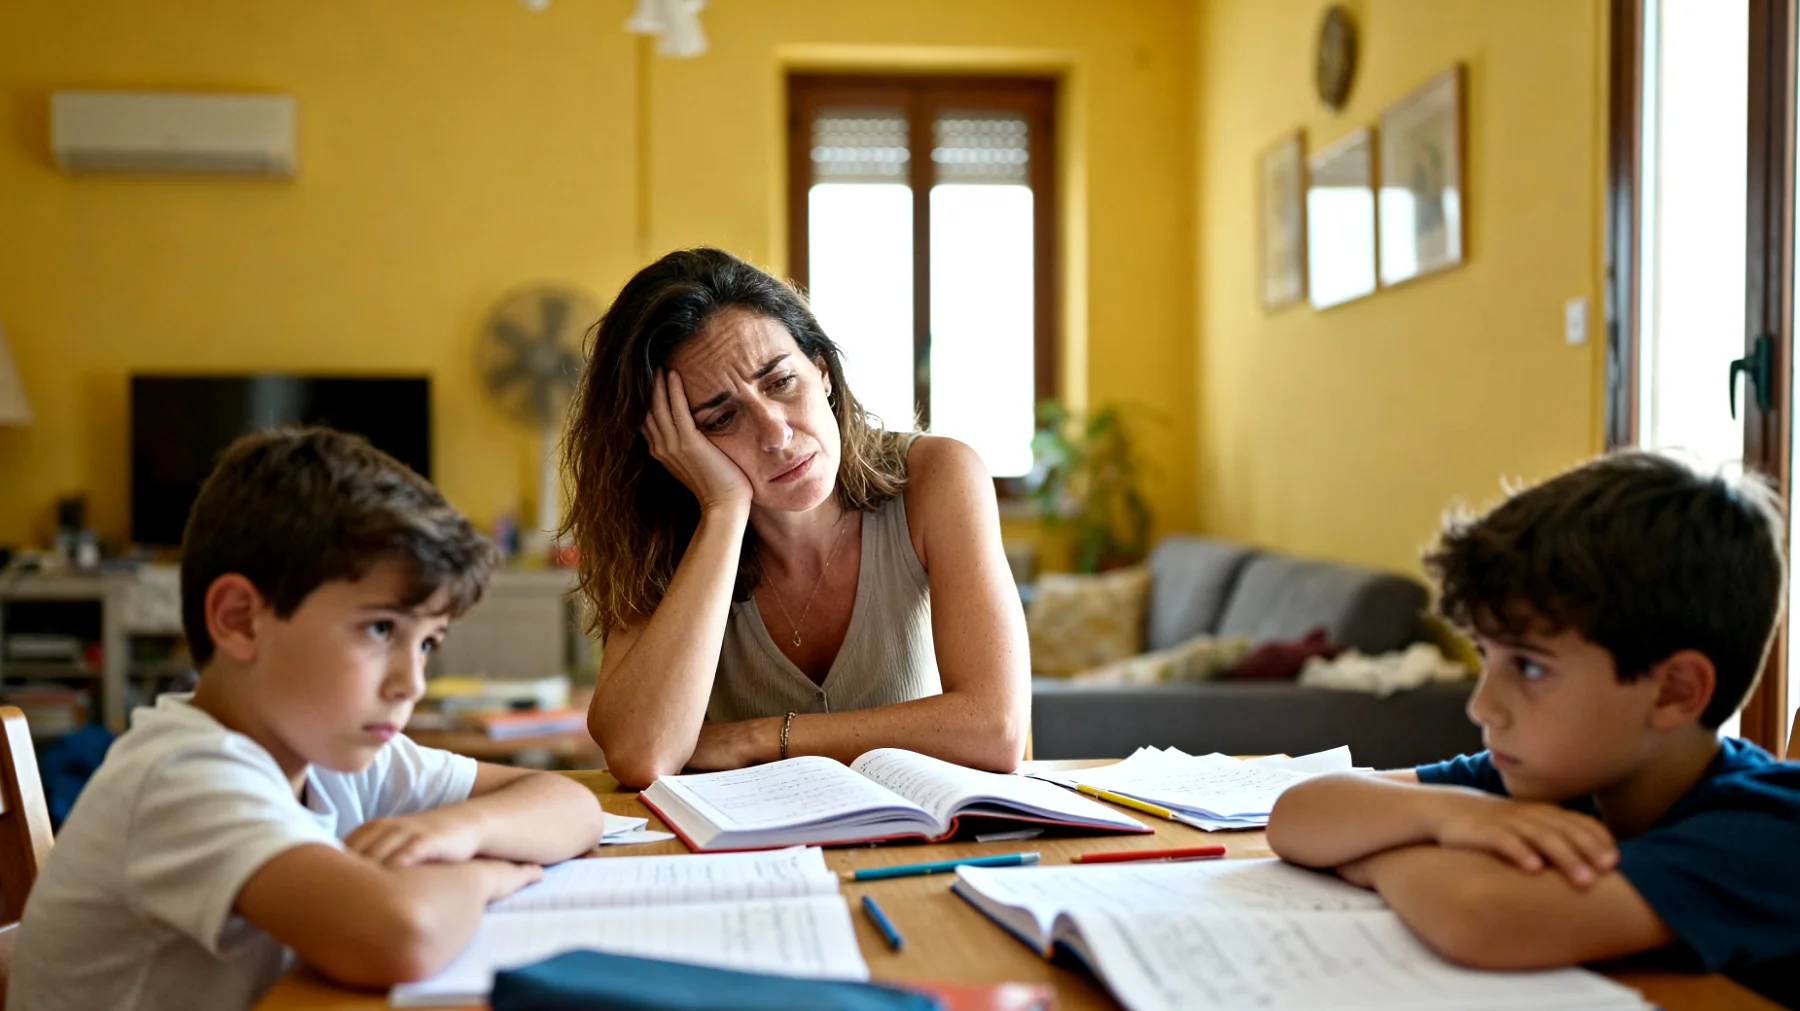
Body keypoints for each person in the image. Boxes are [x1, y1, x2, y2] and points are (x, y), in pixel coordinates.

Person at [10, 428, 606, 1011]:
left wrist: (460, 831)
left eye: (426, 643)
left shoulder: (332, 748)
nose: (412, 682)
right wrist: (490, 872)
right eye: (380, 630)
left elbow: (573, 805)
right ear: (241, 620)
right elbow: (402, 936)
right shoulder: (182, 778)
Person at [1266, 451, 1800, 1006]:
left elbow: (1479, 918)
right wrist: (1449, 815)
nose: (1482, 707)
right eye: (1484, 656)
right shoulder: (1559, 783)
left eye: (1530, 666)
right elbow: (1296, 815)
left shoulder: (1775, 824)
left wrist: (1369, 853)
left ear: (1675, 691)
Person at [564, 247, 1030, 789]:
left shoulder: (937, 476)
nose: (776, 434)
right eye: (720, 418)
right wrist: (723, 509)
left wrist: (756, 738)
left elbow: (996, 731)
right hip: (748, 862)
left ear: (822, 370)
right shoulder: (663, 535)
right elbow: (640, 754)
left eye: (781, 383)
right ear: (670, 447)